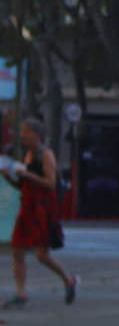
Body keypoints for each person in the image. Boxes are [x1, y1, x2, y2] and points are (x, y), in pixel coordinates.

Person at [6, 119, 75, 307]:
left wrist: (27, 175)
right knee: (17, 250)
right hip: (27, 207)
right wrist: (9, 177)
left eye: (27, 132)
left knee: (41, 255)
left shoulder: (46, 154)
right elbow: (23, 186)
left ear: (37, 134)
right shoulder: (26, 155)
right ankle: (21, 292)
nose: (23, 136)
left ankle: (68, 278)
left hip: (42, 208)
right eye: (22, 132)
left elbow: (50, 183)